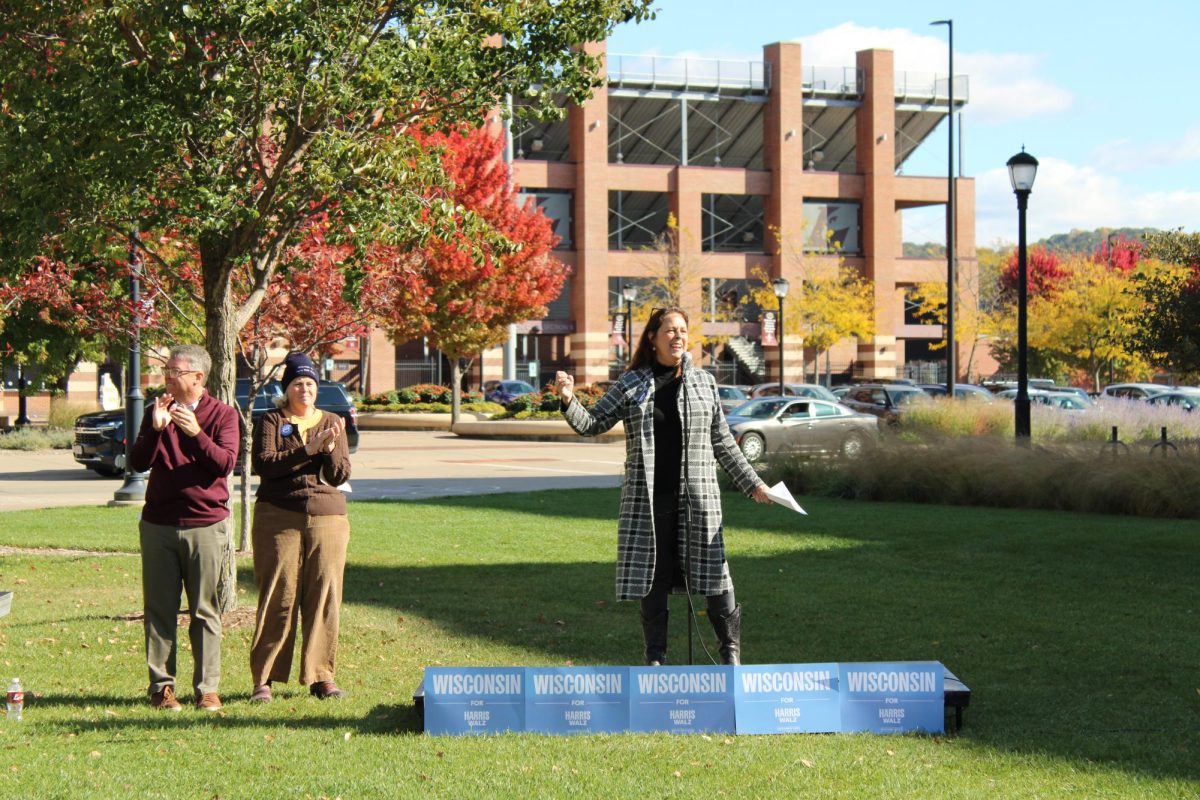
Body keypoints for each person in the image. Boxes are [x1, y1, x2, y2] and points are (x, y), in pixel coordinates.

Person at [555, 307, 770, 666]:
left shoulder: (704, 383)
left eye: (683, 330)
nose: (678, 337)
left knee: (716, 576)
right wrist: (567, 398)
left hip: (699, 503)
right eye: (670, 330)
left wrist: (754, 484)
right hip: (649, 503)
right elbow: (593, 423)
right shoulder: (632, 384)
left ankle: (730, 655)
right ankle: (655, 660)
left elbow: (723, 442)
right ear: (653, 337)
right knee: (652, 581)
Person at [131, 344, 240, 711]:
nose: (167, 378)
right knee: (159, 609)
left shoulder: (223, 415)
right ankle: (161, 687)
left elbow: (224, 464)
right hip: (159, 524)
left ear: (198, 377)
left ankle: (207, 687)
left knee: (204, 610)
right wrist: (156, 430)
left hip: (206, 526)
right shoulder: (157, 411)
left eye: (174, 371)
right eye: (166, 371)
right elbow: (137, 462)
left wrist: (196, 434)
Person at [248, 352, 351, 702]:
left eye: (310, 384)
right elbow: (265, 465)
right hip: (278, 515)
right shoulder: (271, 421)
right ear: (286, 387)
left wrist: (332, 449)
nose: (304, 389)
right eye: (297, 383)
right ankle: (264, 679)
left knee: (324, 594)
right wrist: (308, 449)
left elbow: (340, 475)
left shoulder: (333, 420)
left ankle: (321, 676)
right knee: (278, 595)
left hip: (328, 517)